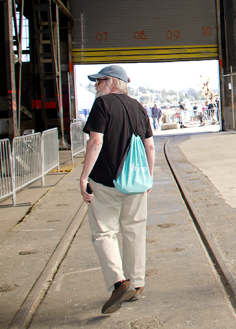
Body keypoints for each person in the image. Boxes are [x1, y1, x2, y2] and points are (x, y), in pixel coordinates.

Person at [80, 65, 155, 314]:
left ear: (112, 82)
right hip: (136, 182)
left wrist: (83, 177)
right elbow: (150, 147)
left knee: (104, 232)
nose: (96, 86)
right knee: (134, 230)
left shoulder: (102, 105)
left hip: (106, 182)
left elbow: (96, 141)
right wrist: (149, 179)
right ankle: (137, 284)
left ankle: (119, 282)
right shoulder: (139, 108)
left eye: (99, 81)